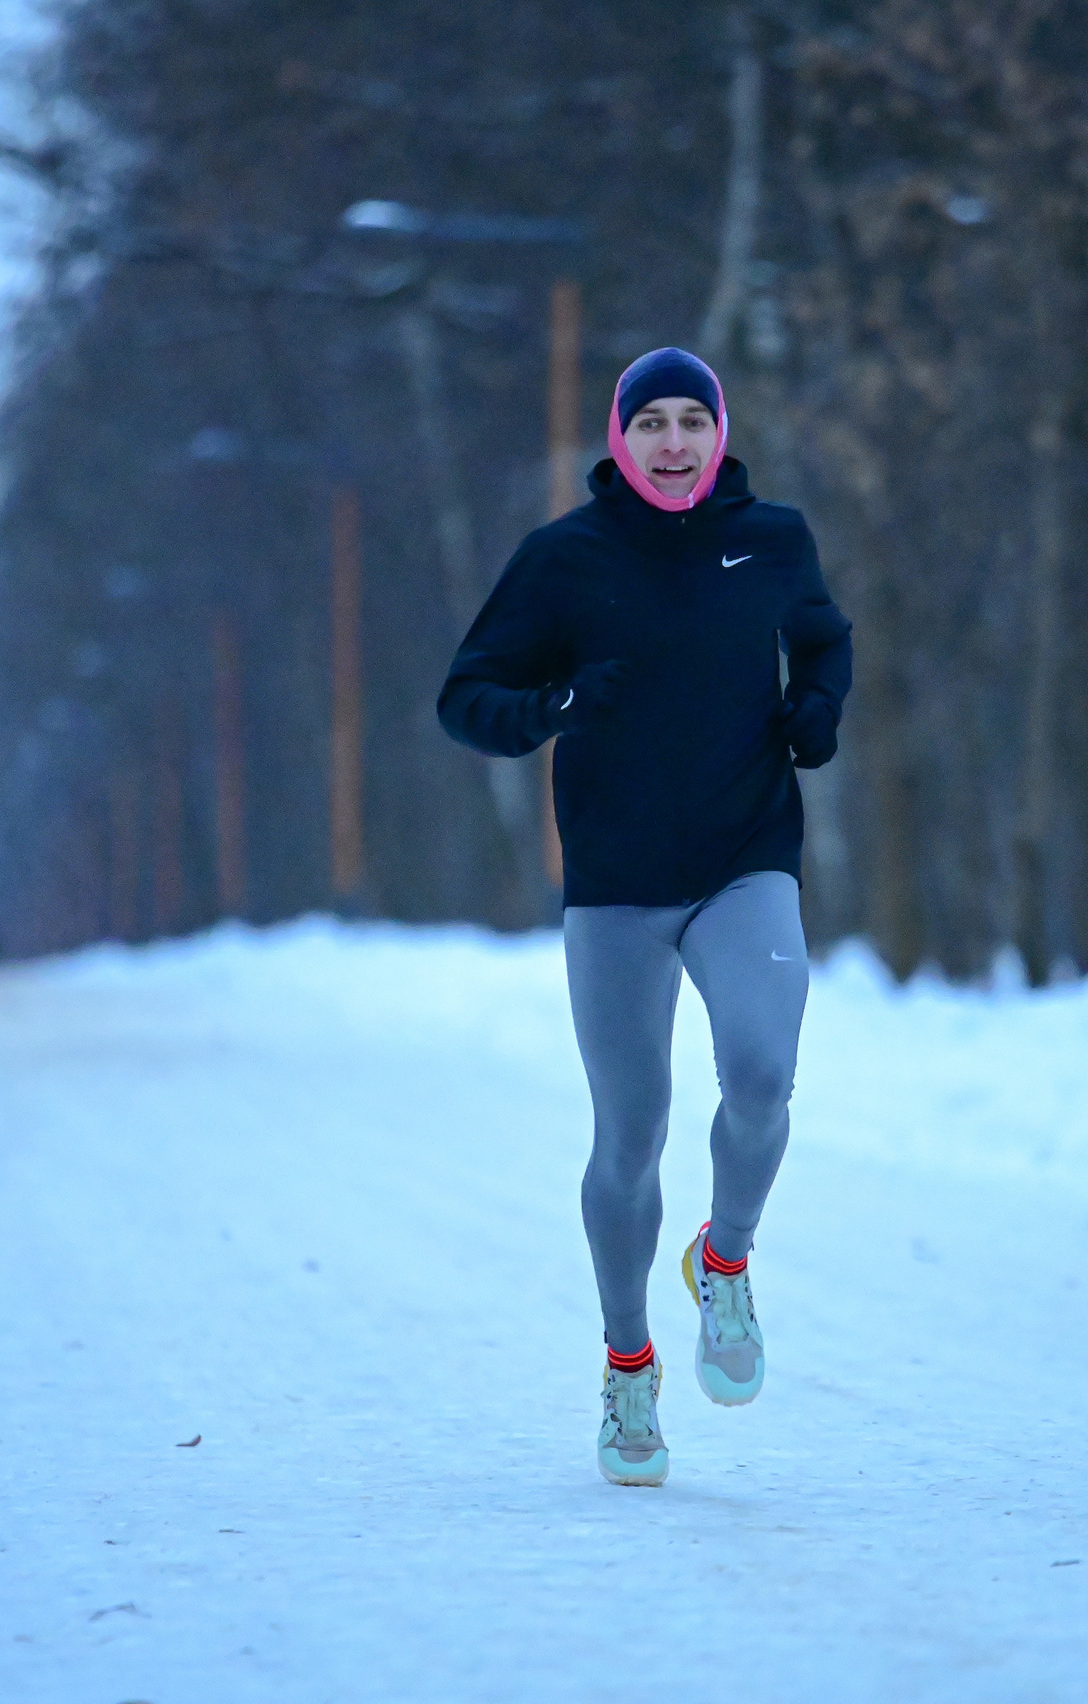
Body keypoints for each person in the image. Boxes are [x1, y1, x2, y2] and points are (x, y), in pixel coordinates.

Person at [438, 347, 852, 1487]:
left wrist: (814, 708)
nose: (672, 443)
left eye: (690, 421)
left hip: (743, 859)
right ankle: (629, 1370)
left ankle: (724, 1262)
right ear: (621, 440)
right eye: (651, 423)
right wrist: (556, 704)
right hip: (617, 886)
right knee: (630, 1136)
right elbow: (465, 698)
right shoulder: (563, 560)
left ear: (717, 432)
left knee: (763, 1072)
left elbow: (822, 635)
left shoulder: (772, 539)